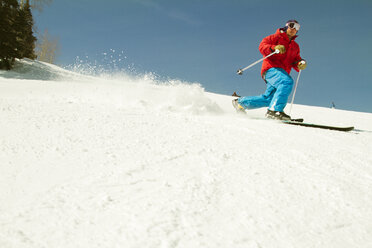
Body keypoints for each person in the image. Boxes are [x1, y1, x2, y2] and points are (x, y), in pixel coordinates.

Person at [233, 20, 307, 120]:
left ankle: (240, 103)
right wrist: (274, 47)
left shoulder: (295, 46)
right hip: (270, 69)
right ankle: (274, 111)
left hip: (282, 73)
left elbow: (295, 59)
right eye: (292, 25)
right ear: (286, 26)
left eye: (297, 27)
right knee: (286, 82)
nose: (294, 29)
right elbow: (262, 46)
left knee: (270, 99)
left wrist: (300, 63)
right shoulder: (275, 37)